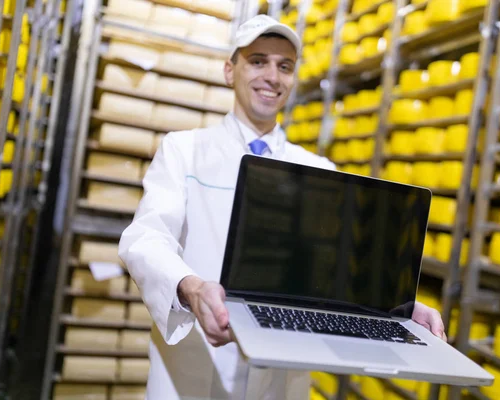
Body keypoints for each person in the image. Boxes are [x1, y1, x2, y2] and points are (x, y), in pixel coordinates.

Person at [118, 14, 447, 400]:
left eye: (285, 66)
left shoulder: (319, 171)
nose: (272, 76)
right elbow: (146, 238)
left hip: (281, 377)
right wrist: (190, 289)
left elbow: (339, 274)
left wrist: (399, 309)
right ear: (230, 70)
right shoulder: (185, 150)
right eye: (258, 61)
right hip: (197, 366)